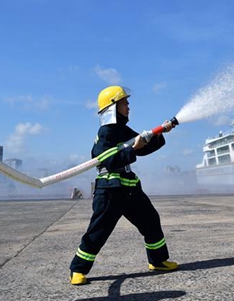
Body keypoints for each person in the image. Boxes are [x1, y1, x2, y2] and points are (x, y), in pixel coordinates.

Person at [69, 86, 177, 286]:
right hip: (110, 190)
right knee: (98, 231)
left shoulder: (123, 130)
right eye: (124, 103)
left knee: (151, 221)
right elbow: (104, 158)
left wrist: (161, 134)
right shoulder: (105, 132)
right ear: (113, 107)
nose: (128, 106)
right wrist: (133, 147)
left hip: (130, 189)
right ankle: (78, 270)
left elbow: (143, 149)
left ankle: (158, 261)